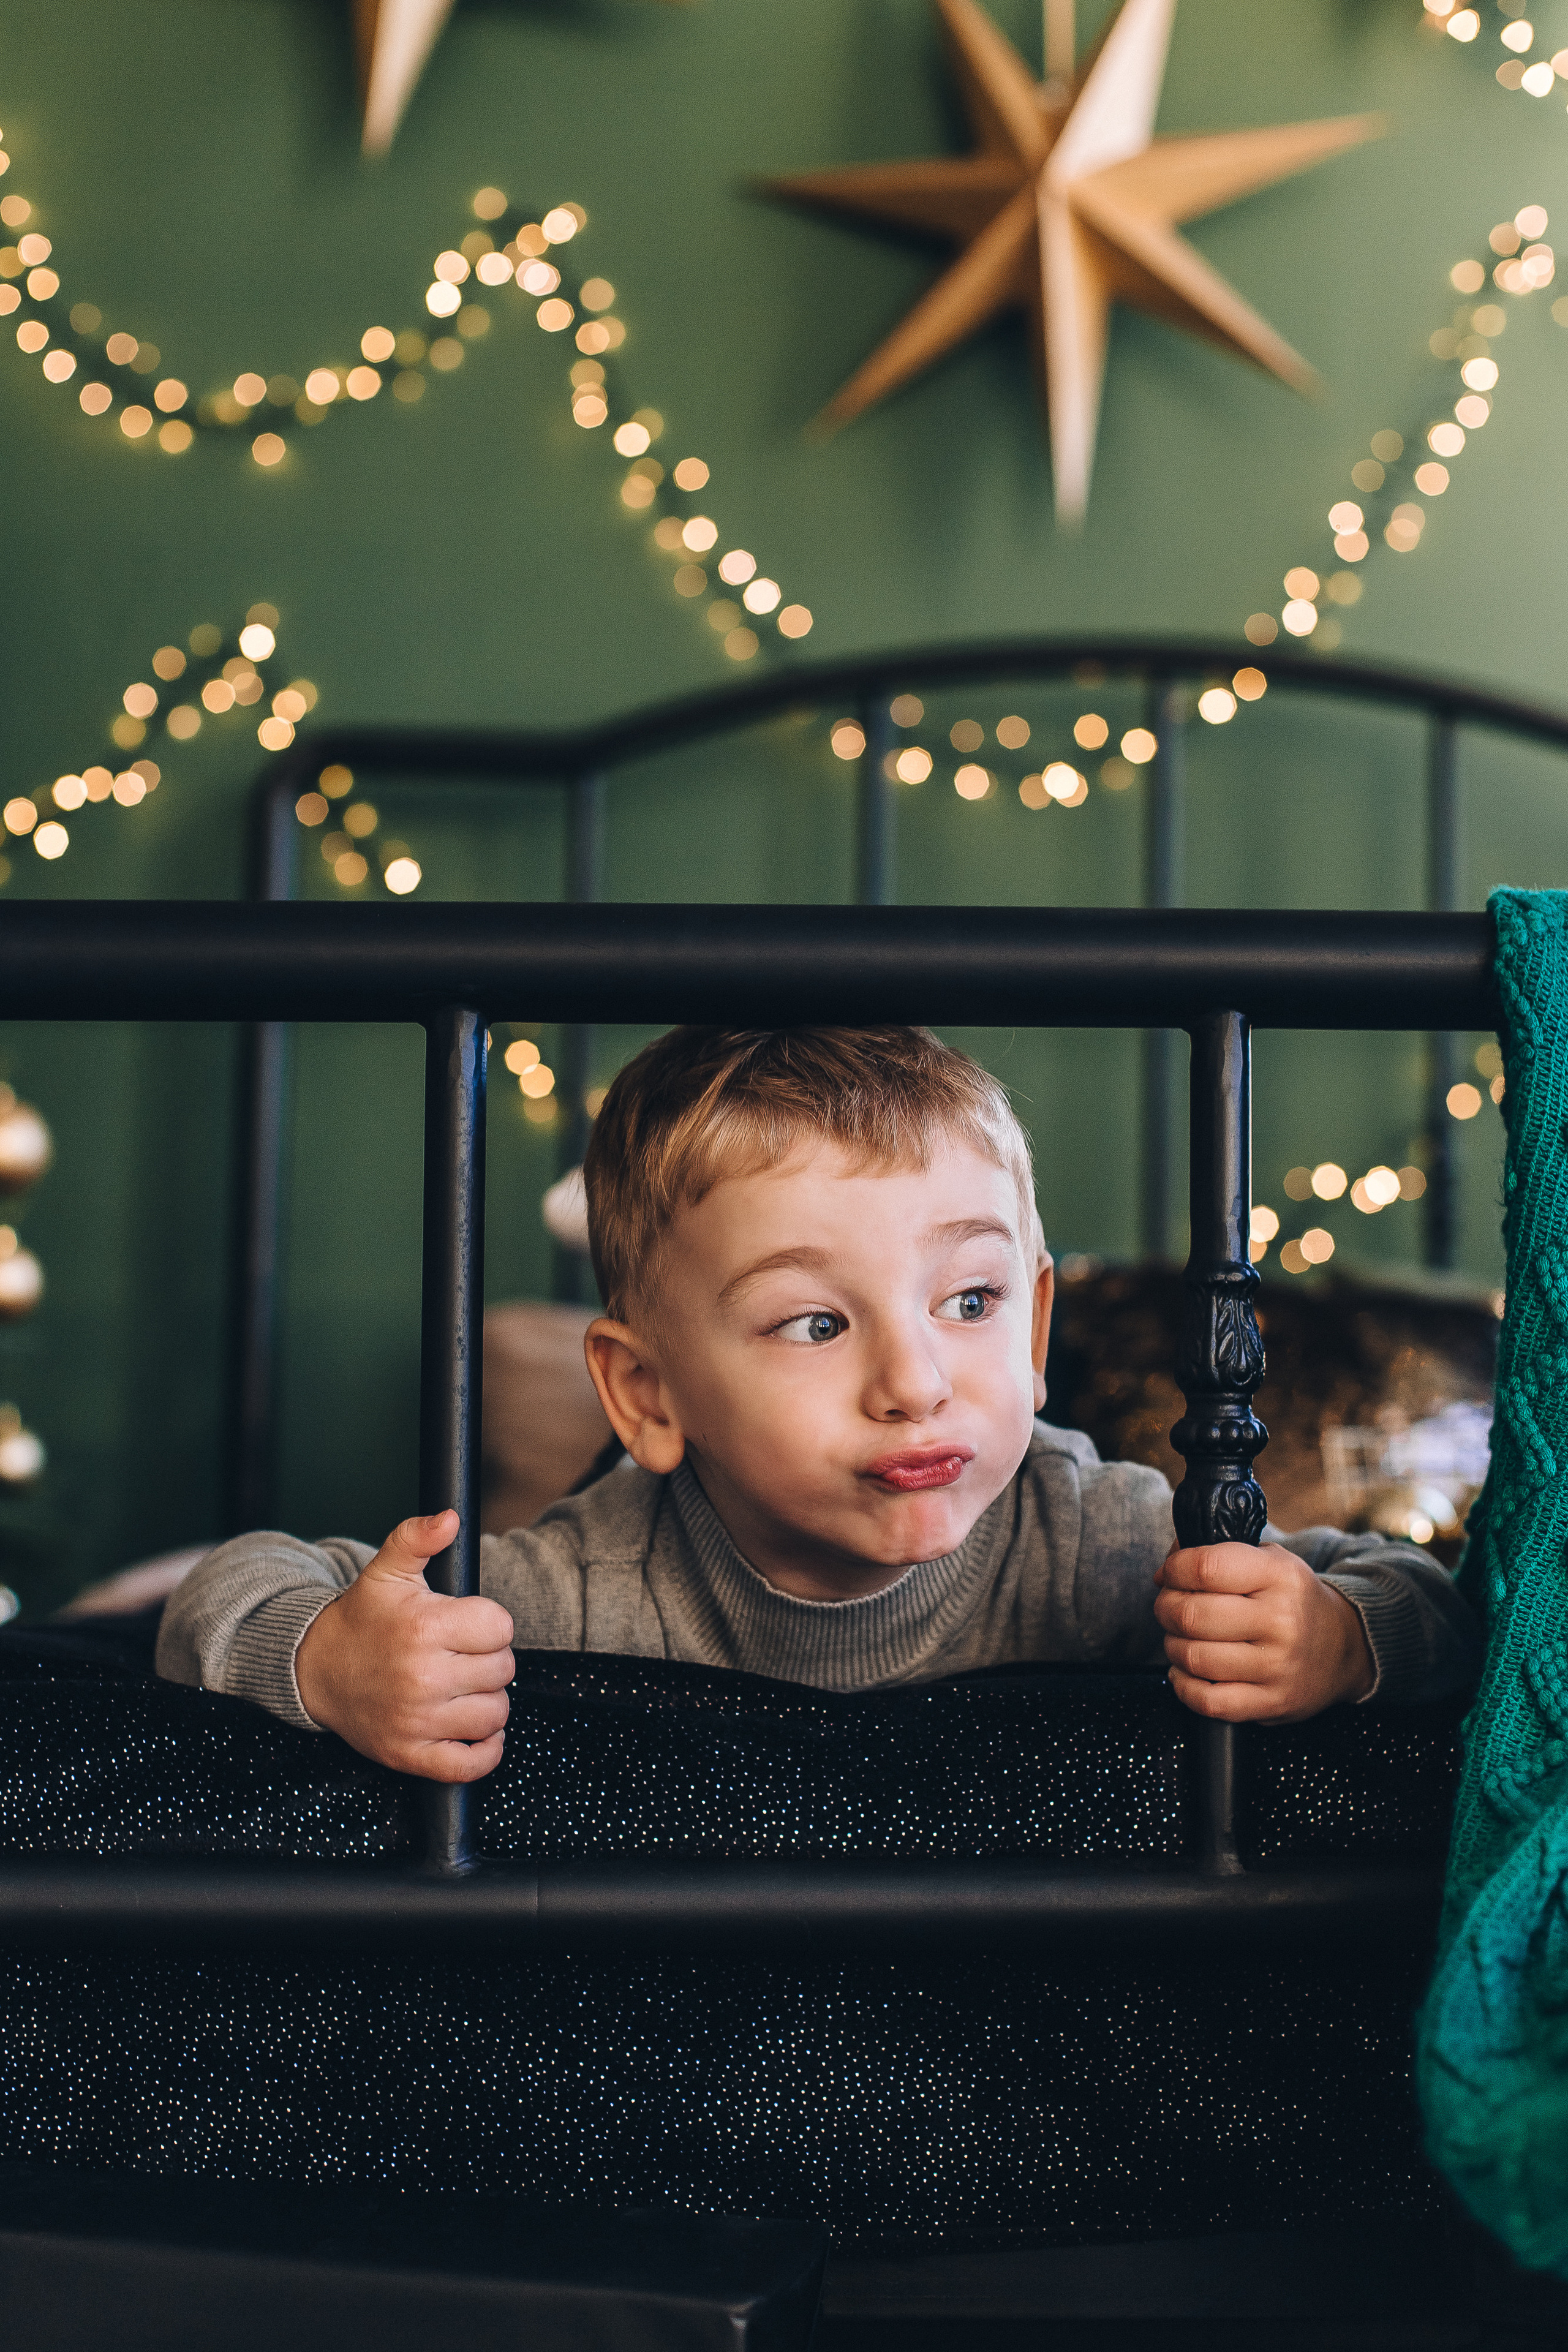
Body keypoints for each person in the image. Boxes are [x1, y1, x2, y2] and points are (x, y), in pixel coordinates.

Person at [157, 1026, 1481, 1781]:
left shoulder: (1101, 1540)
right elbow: (226, 1588)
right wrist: (327, 1659)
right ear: (646, 1394)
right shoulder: (581, 1582)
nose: (912, 1384)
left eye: (966, 1304)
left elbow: (1430, 1593)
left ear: (1031, 1333)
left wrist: (1335, 1641)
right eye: (813, 1322)